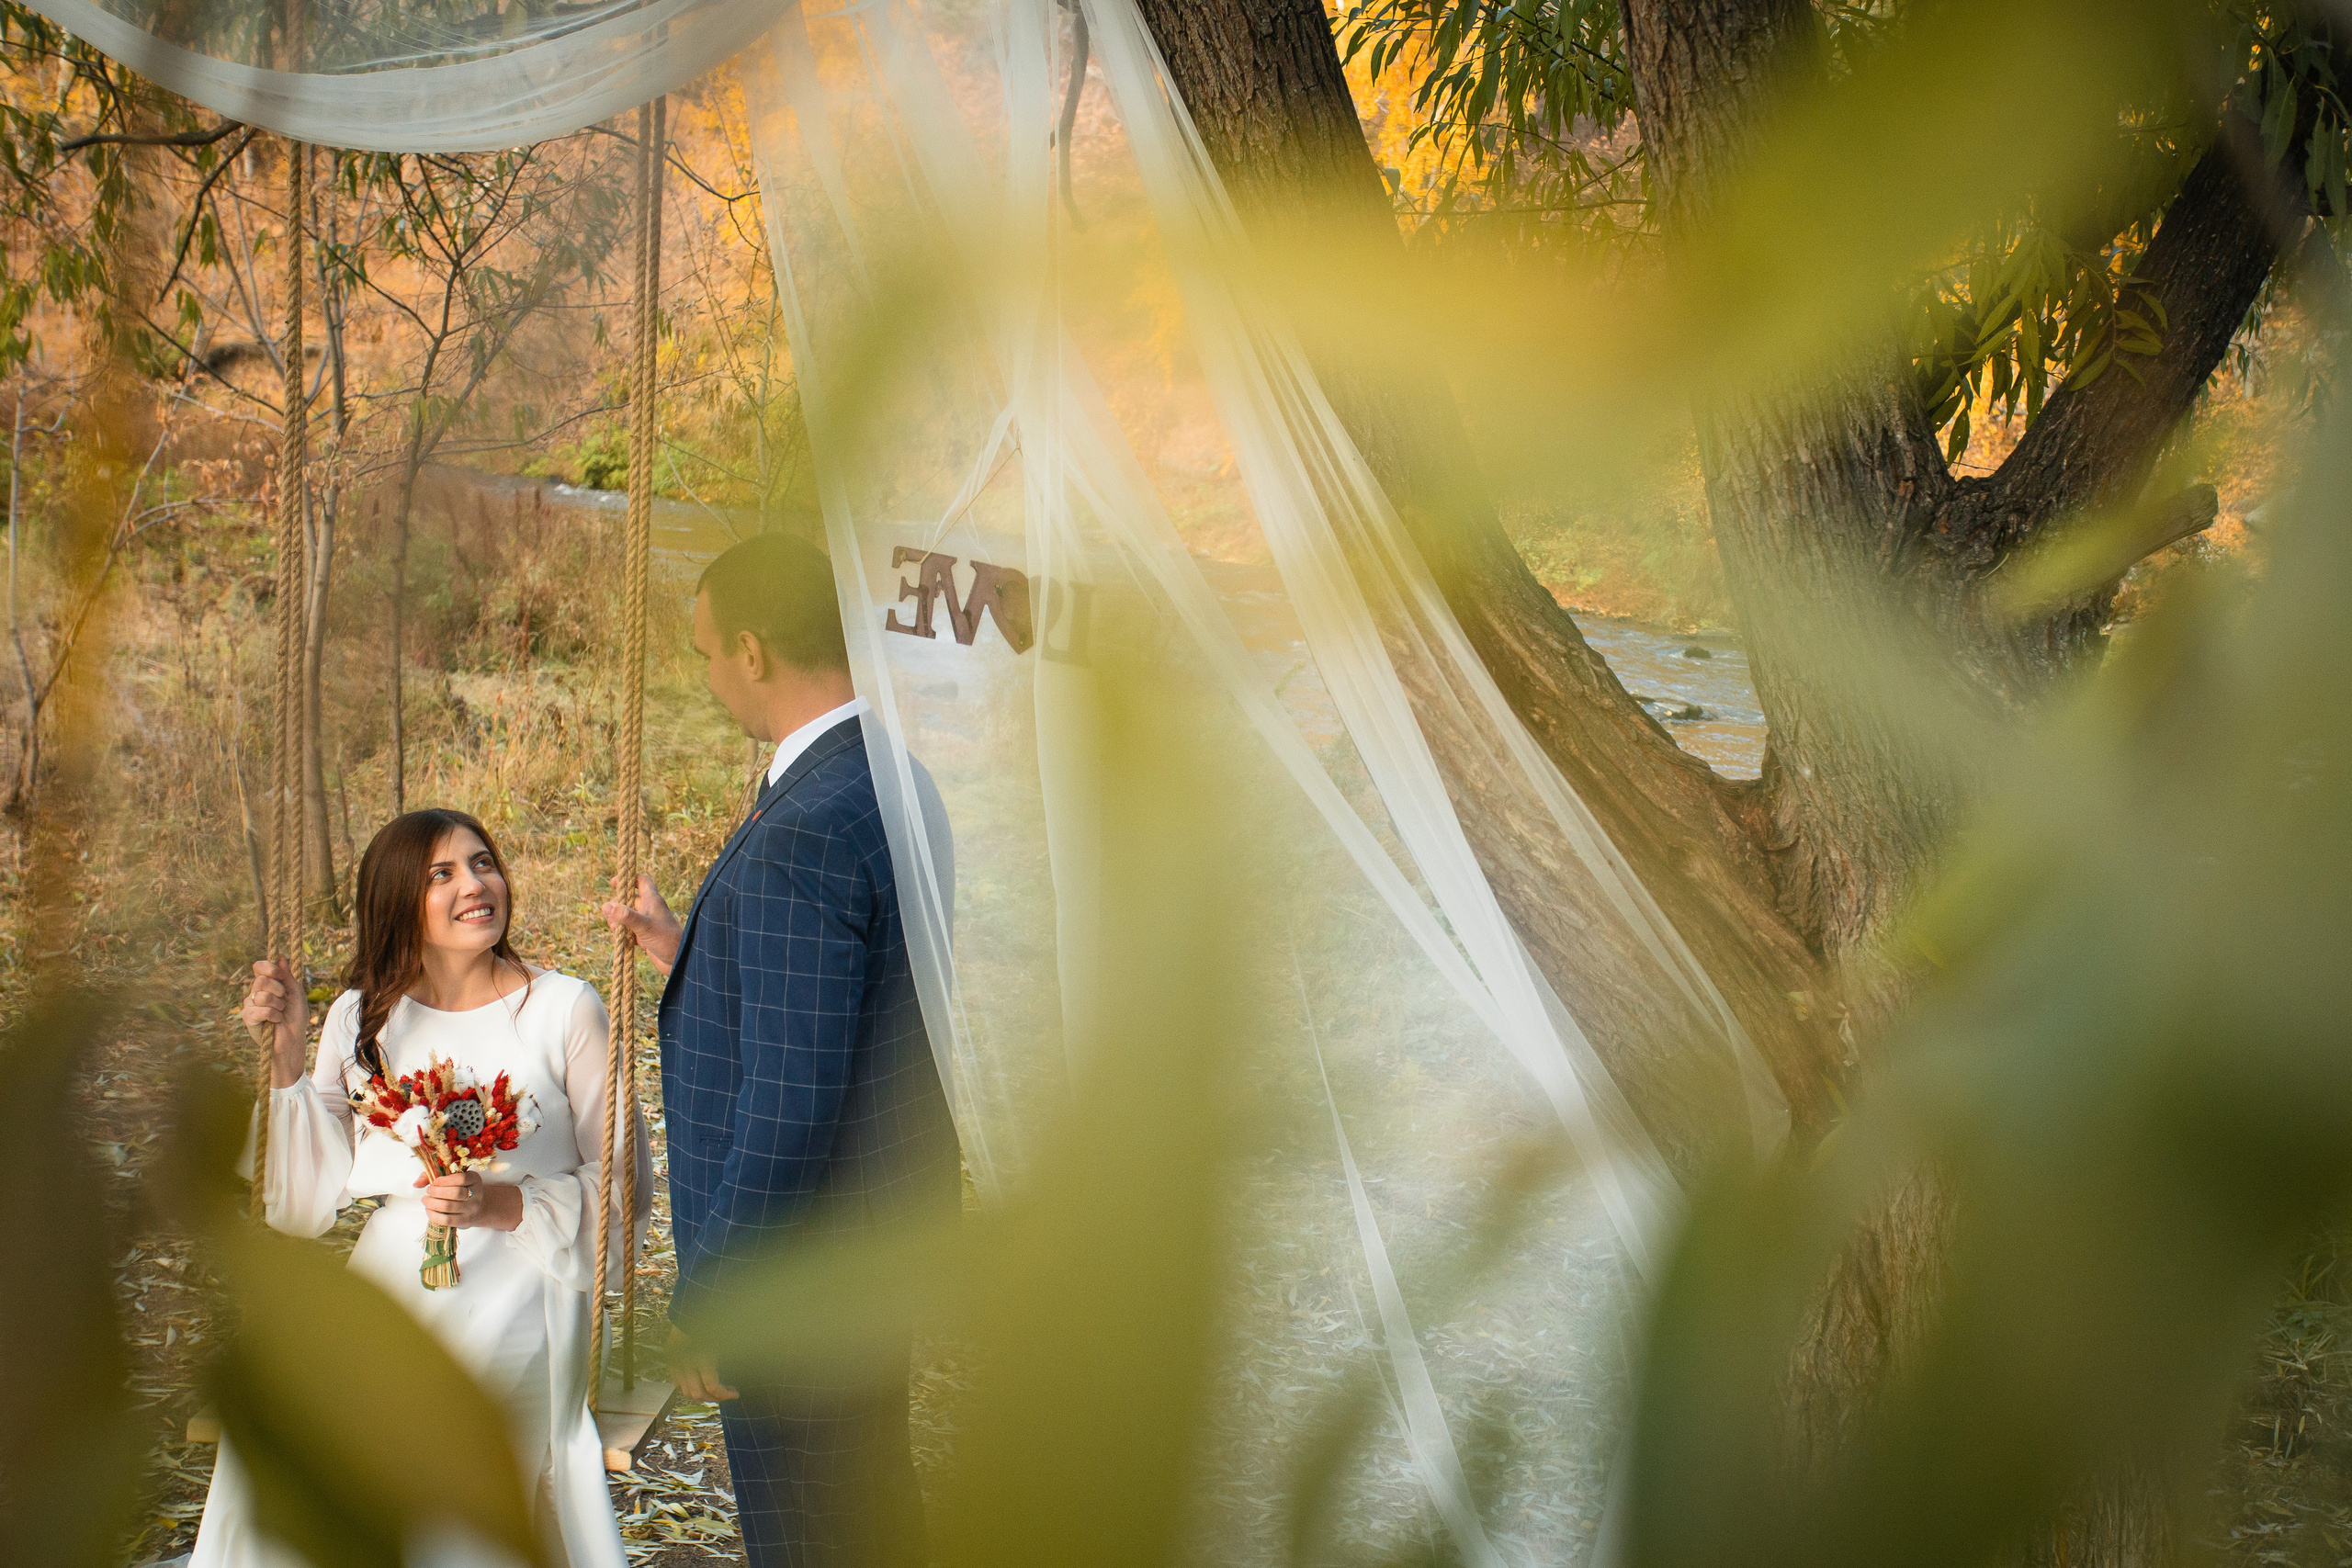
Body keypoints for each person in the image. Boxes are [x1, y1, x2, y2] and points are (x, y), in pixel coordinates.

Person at [602, 530, 961, 1568]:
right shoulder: (893, 780)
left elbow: (791, 1096)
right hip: (878, 1233)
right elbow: (860, 997)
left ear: (753, 651)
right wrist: (693, 950)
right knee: (866, 1509)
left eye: (708, 650)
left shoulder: (804, 823)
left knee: (813, 1531)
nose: (710, 675)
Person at [189, 808, 650, 1568]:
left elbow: (627, 1190)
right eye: (443, 873)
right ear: (399, 898)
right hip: (394, 1267)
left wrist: (502, 1204)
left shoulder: (564, 1008)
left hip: (524, 1275)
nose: (476, 884)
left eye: (483, 863)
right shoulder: (359, 1015)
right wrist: (284, 1063)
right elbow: (306, 1202)